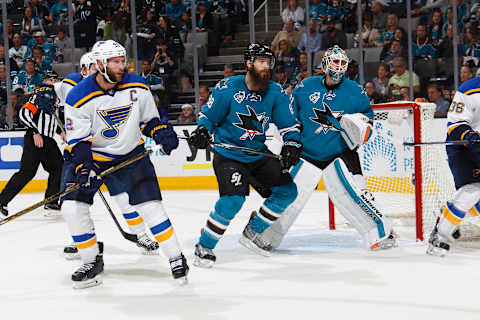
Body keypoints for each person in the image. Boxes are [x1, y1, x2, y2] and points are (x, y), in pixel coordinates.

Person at [61, 40, 188, 288]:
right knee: (72, 208)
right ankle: (90, 259)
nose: (122, 66)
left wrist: (160, 130)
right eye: (115, 62)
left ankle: (175, 256)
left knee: (151, 207)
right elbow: (79, 141)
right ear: (100, 64)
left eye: (122, 61)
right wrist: (84, 168)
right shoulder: (78, 95)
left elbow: (148, 120)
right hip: (91, 158)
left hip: (130, 155)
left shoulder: (137, 85)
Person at [261, 46, 397, 251]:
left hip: (341, 152)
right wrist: (290, 143)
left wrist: (361, 128)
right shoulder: (305, 87)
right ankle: (267, 234)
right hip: (307, 153)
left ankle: (381, 232)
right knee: (291, 194)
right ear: (325, 64)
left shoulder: (355, 91)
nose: (339, 67)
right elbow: (291, 118)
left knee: (357, 193)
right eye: (335, 62)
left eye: (343, 63)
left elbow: (368, 120)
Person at [188, 43, 302, 267]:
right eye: (261, 61)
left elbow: (288, 126)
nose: (266, 66)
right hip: (229, 155)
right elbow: (209, 118)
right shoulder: (228, 87)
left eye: (268, 62)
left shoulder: (275, 92)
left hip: (258, 154)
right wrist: (202, 130)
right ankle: (205, 245)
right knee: (233, 200)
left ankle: (253, 231)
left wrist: (291, 144)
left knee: (287, 191)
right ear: (248, 64)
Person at [57, 52, 161, 259]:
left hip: (112, 154)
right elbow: (51, 93)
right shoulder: (72, 88)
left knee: (124, 198)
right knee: (74, 204)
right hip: (85, 156)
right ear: (85, 70)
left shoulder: (113, 86)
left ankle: (141, 234)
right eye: (92, 69)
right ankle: (82, 241)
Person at [427, 76, 480, 256]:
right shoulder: (469, 89)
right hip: (462, 146)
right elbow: (455, 124)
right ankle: (440, 236)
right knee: (473, 189)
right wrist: (471, 136)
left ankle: (446, 214)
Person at [0, 71, 63, 217]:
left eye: (55, 79)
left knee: (59, 168)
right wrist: (35, 132)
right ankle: (1, 200)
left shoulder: (53, 98)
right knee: (27, 172)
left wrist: (60, 132)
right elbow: (24, 114)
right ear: (44, 81)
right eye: (50, 80)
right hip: (35, 139)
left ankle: (51, 200)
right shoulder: (38, 96)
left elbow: (52, 119)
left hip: (47, 140)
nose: (53, 82)